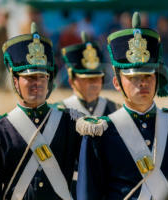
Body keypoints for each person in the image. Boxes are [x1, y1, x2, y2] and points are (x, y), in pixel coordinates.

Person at [76, 12, 168, 200]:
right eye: (133, 77)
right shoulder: (101, 133)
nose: (142, 83)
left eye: (148, 75)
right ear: (117, 83)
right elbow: (88, 195)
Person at [0, 23, 83, 200]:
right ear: (15, 80)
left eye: (43, 77)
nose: (38, 83)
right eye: (30, 78)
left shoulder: (70, 123)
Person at [56, 31, 120, 197]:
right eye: (87, 78)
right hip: (72, 188)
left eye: (97, 78)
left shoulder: (115, 109)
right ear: (72, 80)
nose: (94, 83)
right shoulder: (59, 112)